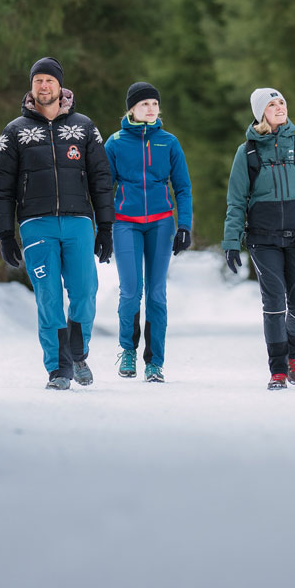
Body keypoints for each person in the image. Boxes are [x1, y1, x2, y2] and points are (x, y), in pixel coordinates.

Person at [0, 56, 115, 390]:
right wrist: (5, 233)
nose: (43, 86)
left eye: (49, 80)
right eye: (37, 81)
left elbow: (101, 180)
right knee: (48, 297)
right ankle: (58, 369)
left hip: (78, 223)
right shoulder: (15, 132)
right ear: (31, 87)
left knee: (85, 293)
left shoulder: (85, 127)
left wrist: (105, 228)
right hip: (36, 225)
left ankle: (77, 352)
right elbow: (2, 187)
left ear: (60, 87)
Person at [222, 87, 295, 390]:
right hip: (263, 239)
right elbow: (236, 201)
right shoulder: (246, 152)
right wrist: (231, 242)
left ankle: (294, 355)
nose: (279, 107)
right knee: (274, 302)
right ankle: (277, 369)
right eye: (272, 104)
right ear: (261, 112)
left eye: (282, 102)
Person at [104, 81, 193, 384]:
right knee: (131, 290)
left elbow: (182, 188)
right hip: (125, 222)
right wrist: (103, 228)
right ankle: (128, 350)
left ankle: (155, 362)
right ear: (131, 108)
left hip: (161, 223)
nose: (151, 109)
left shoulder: (169, 142)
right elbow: (104, 189)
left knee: (156, 292)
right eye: (144, 104)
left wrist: (185, 226)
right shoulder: (115, 143)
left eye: (154, 104)